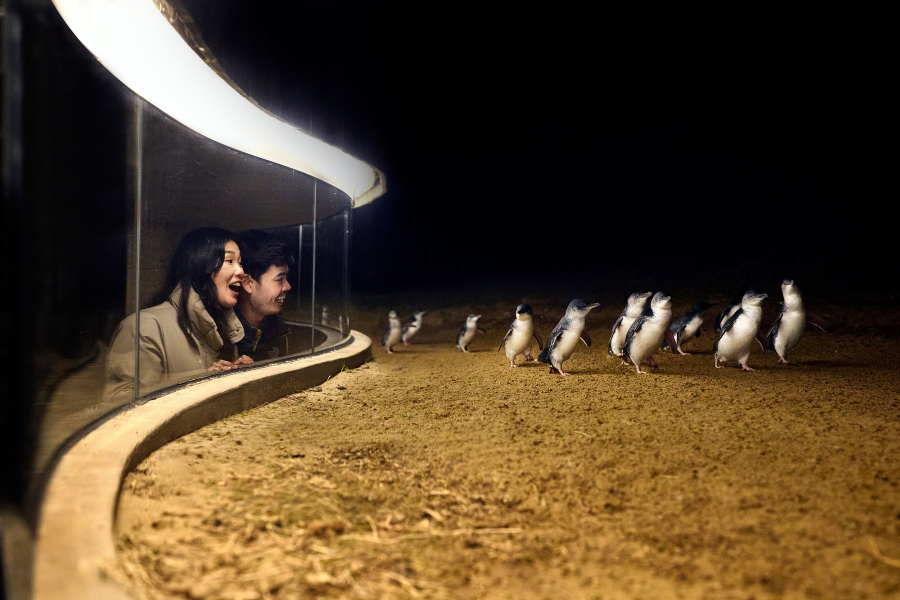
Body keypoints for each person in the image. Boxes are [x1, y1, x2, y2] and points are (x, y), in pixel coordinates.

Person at [104, 227, 253, 401]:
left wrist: (237, 376)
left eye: (240, 263)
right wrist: (198, 385)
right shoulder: (144, 328)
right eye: (229, 261)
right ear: (201, 265)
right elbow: (120, 407)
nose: (241, 271)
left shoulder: (223, 328)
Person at [234, 230, 293, 361]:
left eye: (286, 277)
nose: (287, 286)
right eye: (279, 279)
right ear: (248, 283)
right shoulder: (223, 339)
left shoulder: (278, 331)